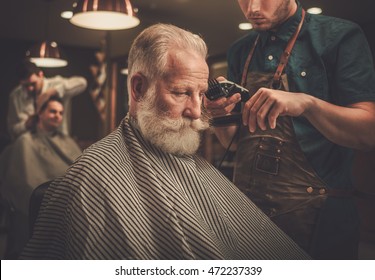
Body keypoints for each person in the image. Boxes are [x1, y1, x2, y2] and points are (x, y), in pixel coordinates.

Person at [20, 23, 309, 260]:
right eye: (182, 92)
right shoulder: (94, 177)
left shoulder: (185, 158)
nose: (197, 111)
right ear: (138, 88)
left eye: (201, 94)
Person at [204, 0, 375, 259]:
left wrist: (307, 104)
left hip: (318, 218)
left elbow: (368, 132)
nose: (253, 9)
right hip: (248, 212)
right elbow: (238, 142)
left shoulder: (340, 36)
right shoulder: (240, 50)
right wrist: (218, 115)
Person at [0, 95, 82, 259]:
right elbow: (18, 182)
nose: (57, 116)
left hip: (68, 200)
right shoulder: (25, 142)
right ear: (40, 113)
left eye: (60, 113)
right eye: (52, 111)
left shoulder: (67, 142)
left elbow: (81, 171)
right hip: (33, 202)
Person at [7, 60, 87, 140]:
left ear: (41, 75)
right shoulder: (15, 96)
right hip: (29, 145)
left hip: (58, 142)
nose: (30, 89)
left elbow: (82, 82)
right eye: (25, 85)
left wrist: (51, 92)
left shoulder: (55, 84)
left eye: (33, 84)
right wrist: (26, 125)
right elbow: (12, 130)